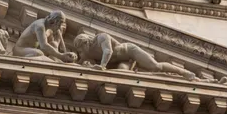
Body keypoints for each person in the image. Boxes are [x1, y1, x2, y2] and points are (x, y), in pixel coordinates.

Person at [70, 31, 198, 78]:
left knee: (155, 66)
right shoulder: (87, 52)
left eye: (82, 47)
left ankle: (184, 73)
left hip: (129, 52)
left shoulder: (101, 38)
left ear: (86, 42)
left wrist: (102, 66)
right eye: (80, 50)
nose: (82, 51)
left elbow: (108, 51)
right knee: (122, 75)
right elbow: (77, 64)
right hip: (121, 62)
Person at [11, 11, 77, 62]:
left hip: (34, 49)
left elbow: (53, 46)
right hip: (20, 50)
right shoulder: (40, 26)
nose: (59, 28)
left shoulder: (49, 30)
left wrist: (58, 39)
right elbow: (44, 46)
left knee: (52, 45)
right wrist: (61, 56)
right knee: (38, 53)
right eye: (59, 25)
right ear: (53, 22)